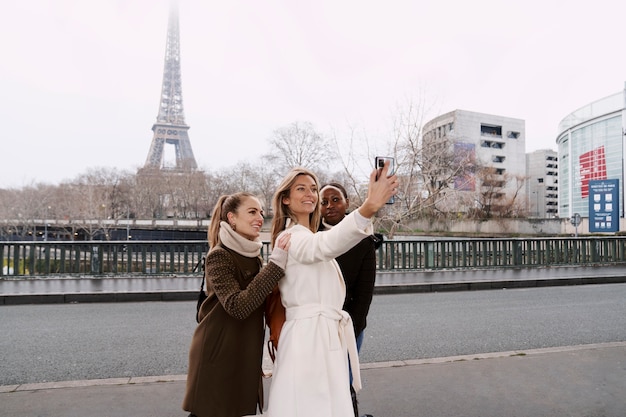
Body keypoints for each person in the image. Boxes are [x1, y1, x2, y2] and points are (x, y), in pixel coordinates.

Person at [265, 162, 397, 417]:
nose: (310, 194)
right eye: (301, 189)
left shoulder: (304, 234)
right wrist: (368, 208)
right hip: (309, 339)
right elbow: (325, 245)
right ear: (285, 200)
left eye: (313, 188)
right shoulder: (293, 236)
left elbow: (326, 243)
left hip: (318, 337)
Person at [182, 192, 291, 417]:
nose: (260, 217)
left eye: (261, 212)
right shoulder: (219, 256)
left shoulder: (252, 255)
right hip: (219, 351)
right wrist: (277, 263)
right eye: (252, 212)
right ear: (232, 218)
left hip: (243, 349)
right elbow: (237, 306)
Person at [320, 182, 381, 417]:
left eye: (336, 200)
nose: (329, 206)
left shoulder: (363, 240)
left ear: (347, 203)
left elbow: (365, 293)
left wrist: (351, 329)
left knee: (343, 382)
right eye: (324, 201)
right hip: (317, 325)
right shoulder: (310, 236)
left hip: (349, 325)